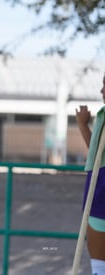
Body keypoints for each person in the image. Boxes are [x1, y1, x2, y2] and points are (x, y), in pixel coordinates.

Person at [76, 74, 105, 275]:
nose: (101, 91)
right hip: (99, 185)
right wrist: (83, 125)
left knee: (99, 265)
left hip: (102, 190)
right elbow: (98, 155)